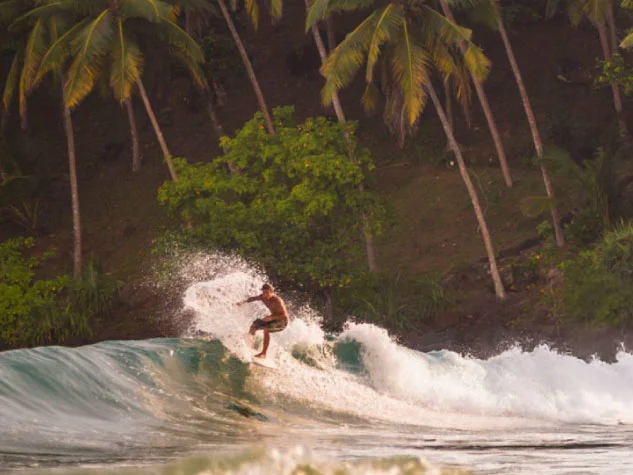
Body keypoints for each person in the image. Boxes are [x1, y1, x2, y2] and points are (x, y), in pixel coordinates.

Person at [236, 283, 289, 359]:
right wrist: (241, 302)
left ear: (271, 292)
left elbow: (285, 316)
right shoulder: (263, 297)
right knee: (254, 326)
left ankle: (263, 354)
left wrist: (271, 318)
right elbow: (252, 299)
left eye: (267, 292)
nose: (265, 294)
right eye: (263, 292)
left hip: (282, 322)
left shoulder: (277, 300)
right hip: (273, 320)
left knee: (266, 329)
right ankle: (249, 346)